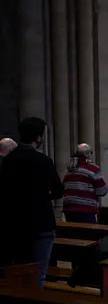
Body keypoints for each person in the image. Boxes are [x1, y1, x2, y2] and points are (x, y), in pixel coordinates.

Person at [0, 117, 64, 288]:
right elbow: (58, 191)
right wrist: (42, 196)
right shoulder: (43, 161)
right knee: (38, 273)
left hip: (16, 223)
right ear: (38, 138)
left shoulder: (9, 161)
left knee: (19, 271)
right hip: (41, 222)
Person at [63, 143, 108, 223]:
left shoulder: (69, 170)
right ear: (87, 154)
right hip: (85, 209)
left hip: (69, 210)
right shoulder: (93, 169)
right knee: (88, 234)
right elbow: (102, 190)